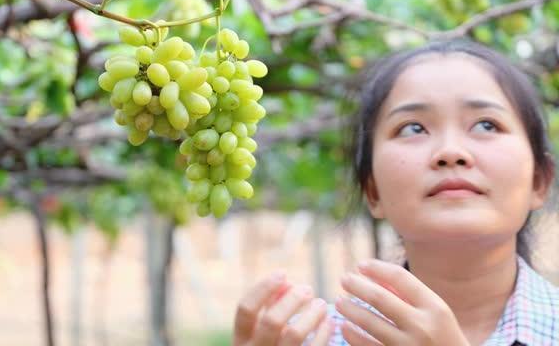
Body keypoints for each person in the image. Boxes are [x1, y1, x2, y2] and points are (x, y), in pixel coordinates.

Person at [231, 41, 558, 345]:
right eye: (413, 128)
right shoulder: (317, 338)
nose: (450, 151)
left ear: (539, 181)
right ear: (372, 191)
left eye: (487, 125)